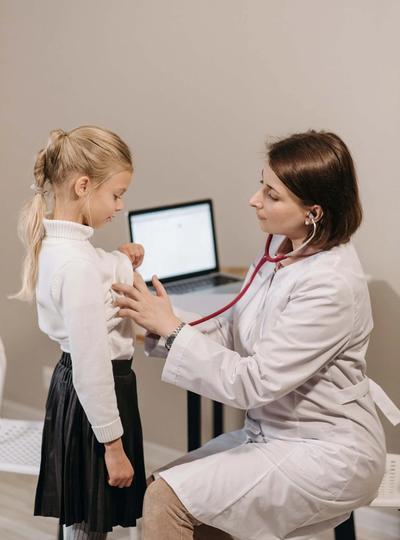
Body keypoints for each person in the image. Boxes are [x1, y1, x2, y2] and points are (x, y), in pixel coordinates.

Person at [112, 130, 389, 540]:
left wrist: (172, 330)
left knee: (167, 501)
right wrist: (159, 319)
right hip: (274, 435)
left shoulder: (332, 285)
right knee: (164, 489)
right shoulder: (283, 246)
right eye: (262, 186)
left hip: (328, 453)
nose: (254, 200)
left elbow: (253, 382)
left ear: (313, 212)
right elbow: (233, 328)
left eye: (272, 195)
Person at [12, 126, 147, 539]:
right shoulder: (78, 266)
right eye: (116, 194)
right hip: (98, 395)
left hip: (74, 389)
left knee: (80, 517)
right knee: (89, 525)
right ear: (84, 186)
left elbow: (94, 266)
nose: (120, 206)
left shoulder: (62, 247)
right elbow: (93, 365)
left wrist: (123, 260)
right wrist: (113, 448)